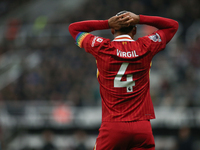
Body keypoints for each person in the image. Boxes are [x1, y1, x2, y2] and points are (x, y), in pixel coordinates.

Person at [68, 11, 178, 150]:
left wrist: (106, 23)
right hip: (142, 127)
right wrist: (139, 18)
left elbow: (74, 28)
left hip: (113, 126)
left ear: (113, 29)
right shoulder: (146, 46)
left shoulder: (102, 47)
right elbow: (172, 26)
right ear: (135, 29)